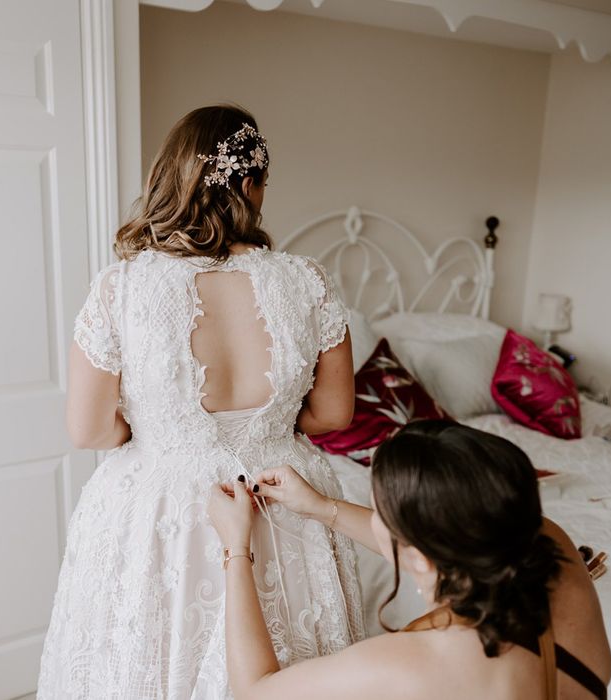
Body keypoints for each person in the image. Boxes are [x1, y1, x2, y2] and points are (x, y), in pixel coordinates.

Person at [37, 105, 367, 699]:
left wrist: (160, 434)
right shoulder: (307, 280)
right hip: (282, 496)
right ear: (247, 184)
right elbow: (333, 415)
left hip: (164, 510)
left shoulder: (124, 286)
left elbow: (88, 430)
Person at [208, 420, 611, 699]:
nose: (376, 520)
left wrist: (236, 547)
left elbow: (256, 691)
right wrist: (321, 506)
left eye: (380, 513)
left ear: (420, 557)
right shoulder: (546, 538)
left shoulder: (417, 663)